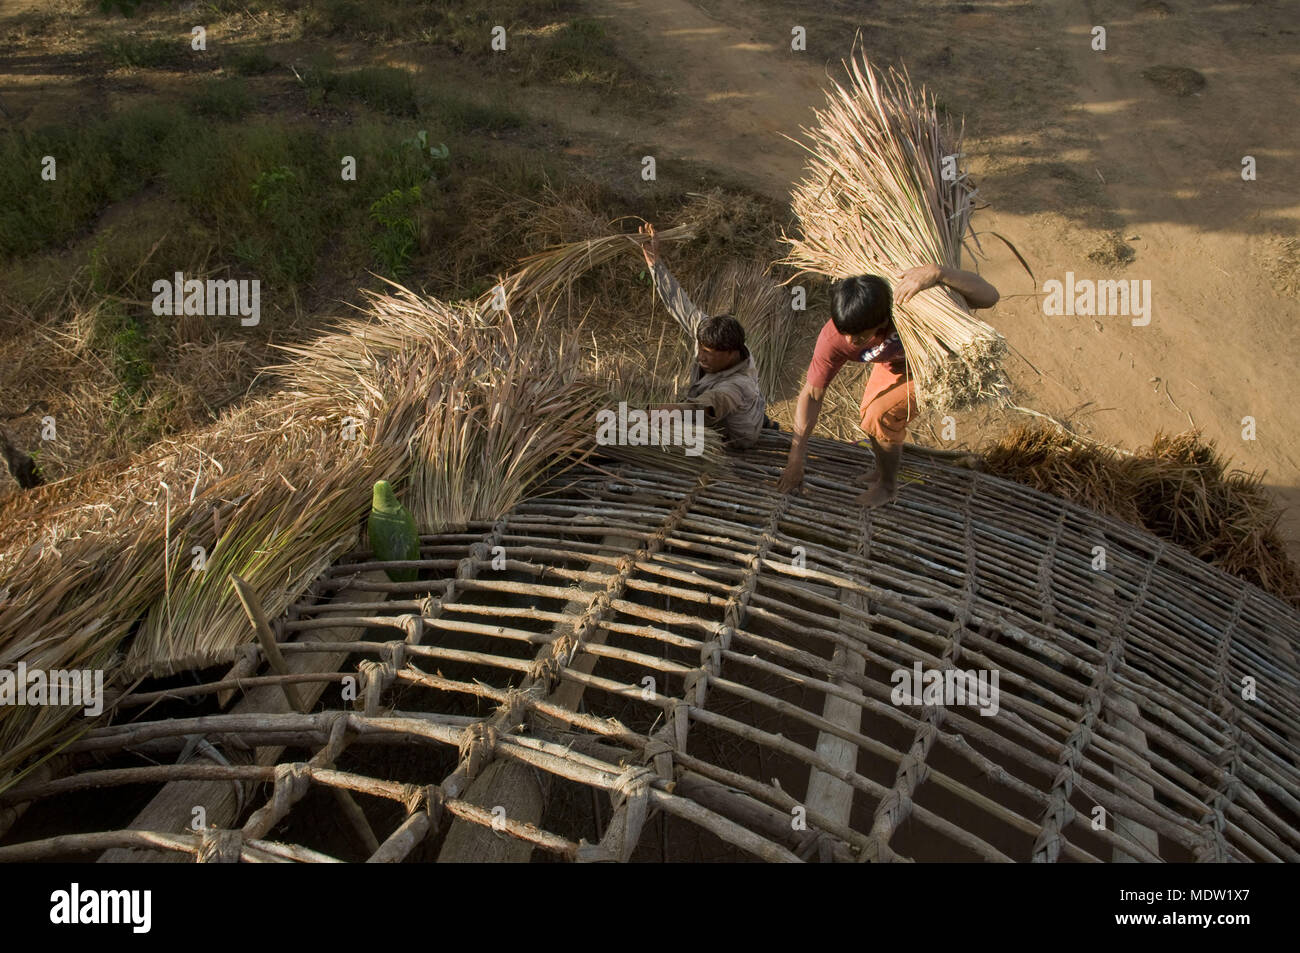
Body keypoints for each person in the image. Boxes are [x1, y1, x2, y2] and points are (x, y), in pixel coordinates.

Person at [776, 264, 1000, 506]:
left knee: (880, 415)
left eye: (860, 336)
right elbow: (812, 393)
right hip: (895, 366)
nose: (851, 341)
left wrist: (939, 273)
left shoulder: (913, 307)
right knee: (869, 415)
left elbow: (990, 296)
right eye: (846, 332)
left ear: (882, 321)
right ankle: (882, 469)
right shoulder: (834, 338)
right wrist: (795, 458)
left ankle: (888, 486)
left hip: (937, 366)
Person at [638, 223, 768, 449]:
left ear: (731, 353)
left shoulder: (739, 385)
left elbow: (710, 405)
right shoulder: (708, 333)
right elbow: (679, 303)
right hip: (708, 408)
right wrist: (654, 262)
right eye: (700, 348)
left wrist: (675, 410)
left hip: (734, 437)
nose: (701, 357)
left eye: (708, 353)